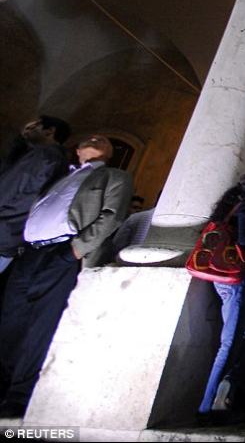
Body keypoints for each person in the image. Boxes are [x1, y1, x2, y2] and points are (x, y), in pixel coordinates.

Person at [0, 135, 133, 417]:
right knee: (11, 321)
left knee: (42, 326)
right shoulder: (61, 176)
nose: (97, 138)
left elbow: (112, 216)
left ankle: (19, 397)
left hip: (63, 252)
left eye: (104, 140)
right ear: (78, 149)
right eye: (92, 136)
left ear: (109, 153)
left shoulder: (115, 176)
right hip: (29, 252)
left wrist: (73, 252)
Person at [198, 171, 245, 422]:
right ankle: (207, 407)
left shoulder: (230, 206)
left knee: (234, 339)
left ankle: (218, 399)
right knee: (230, 342)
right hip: (237, 278)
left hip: (221, 278)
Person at [0, 116, 71, 274]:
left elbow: (8, 189)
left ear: (50, 130)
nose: (26, 130)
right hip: (12, 236)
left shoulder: (43, 155)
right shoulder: (58, 160)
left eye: (33, 126)